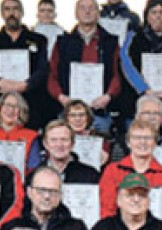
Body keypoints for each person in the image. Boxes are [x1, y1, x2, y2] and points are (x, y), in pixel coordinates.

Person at [117, 0, 162, 134]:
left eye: (161, 12)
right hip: (139, 99)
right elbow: (125, 60)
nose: (158, 16)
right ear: (147, 15)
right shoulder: (134, 36)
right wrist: (143, 89)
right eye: (154, 12)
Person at [47, 0, 122, 132]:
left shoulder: (111, 42)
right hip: (69, 110)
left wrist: (108, 96)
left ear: (98, 13)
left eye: (91, 8)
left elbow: (118, 74)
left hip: (99, 111)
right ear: (76, 13)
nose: (87, 12)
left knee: (100, 138)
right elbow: (52, 74)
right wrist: (61, 97)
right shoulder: (62, 42)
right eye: (82, 8)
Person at [0, 0, 51, 130]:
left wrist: (26, 84)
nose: (12, 13)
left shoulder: (38, 40)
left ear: (22, 13)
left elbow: (43, 69)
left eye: (15, 9)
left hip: (31, 99)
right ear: (2, 13)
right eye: (7, 9)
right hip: (0, 98)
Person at [99, 119, 162, 224]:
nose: (142, 142)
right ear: (128, 143)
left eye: (148, 138)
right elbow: (107, 207)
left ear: (155, 143)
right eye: (137, 138)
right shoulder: (112, 170)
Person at [32, 119, 101, 184]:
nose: (59, 144)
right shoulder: (34, 176)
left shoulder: (91, 175)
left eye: (64, 139)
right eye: (53, 140)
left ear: (72, 143)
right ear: (45, 144)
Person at [0, 92, 41, 172]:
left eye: (16, 107)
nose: (11, 110)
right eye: (7, 105)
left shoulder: (31, 136)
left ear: (21, 111)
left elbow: (34, 169)